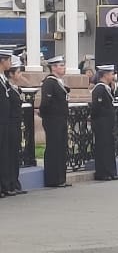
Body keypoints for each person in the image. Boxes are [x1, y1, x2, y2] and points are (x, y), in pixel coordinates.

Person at [39, 56, 71, 188]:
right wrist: (46, 115)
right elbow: (46, 103)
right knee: (54, 148)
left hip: (61, 119)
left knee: (61, 148)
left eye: (63, 65)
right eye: (61, 65)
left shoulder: (59, 82)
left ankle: (60, 178)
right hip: (53, 119)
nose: (63, 68)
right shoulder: (49, 82)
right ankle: (53, 179)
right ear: (53, 67)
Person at [89, 64, 118, 181]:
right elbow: (96, 108)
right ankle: (102, 172)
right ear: (105, 75)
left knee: (109, 147)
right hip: (101, 123)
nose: (113, 76)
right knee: (103, 148)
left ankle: (111, 171)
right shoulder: (99, 89)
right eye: (112, 74)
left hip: (107, 123)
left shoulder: (107, 88)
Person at [0, 48, 23, 197]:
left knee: (6, 155)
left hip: (6, 123)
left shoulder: (3, 80)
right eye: (8, 60)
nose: (10, 63)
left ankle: (6, 185)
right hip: (2, 122)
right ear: (2, 61)